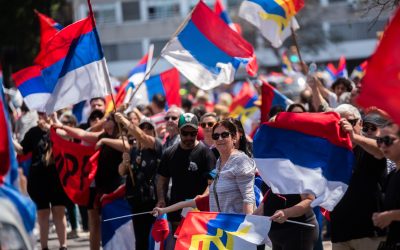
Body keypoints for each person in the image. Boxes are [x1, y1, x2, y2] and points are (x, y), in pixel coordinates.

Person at [54, 113, 123, 250]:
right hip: (100, 186)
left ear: (116, 123)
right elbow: (81, 134)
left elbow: (125, 145)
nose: (105, 120)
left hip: (116, 187)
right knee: (95, 223)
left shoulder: (120, 137)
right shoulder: (102, 136)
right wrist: (61, 126)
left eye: (108, 119)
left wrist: (104, 142)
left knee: (113, 223)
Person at [330, 104, 387, 250]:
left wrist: (354, 137)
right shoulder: (333, 151)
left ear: (360, 123)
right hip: (340, 233)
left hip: (368, 233)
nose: (344, 126)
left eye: (350, 122)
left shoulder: (369, 145)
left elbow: (381, 152)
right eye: (339, 123)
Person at [14, 112, 68, 250]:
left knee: (58, 211)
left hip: (57, 178)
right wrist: (9, 137)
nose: (43, 116)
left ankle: (63, 246)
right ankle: (44, 247)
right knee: (42, 213)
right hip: (38, 179)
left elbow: (68, 139)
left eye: (46, 113)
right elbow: (22, 150)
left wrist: (50, 128)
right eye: (40, 113)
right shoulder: (33, 132)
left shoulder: (59, 129)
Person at [156, 113, 216, 231]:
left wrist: (201, 198)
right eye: (185, 133)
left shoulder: (206, 153)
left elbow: (212, 182)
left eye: (192, 133)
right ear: (179, 131)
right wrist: (161, 199)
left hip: (198, 212)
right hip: (176, 211)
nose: (189, 137)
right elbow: (162, 180)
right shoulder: (169, 153)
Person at [115, 113, 162, 250]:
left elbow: (142, 137)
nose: (145, 130)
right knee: (140, 240)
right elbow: (121, 171)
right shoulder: (133, 150)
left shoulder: (156, 146)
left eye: (149, 128)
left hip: (154, 201)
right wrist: (124, 163)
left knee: (157, 238)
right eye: (143, 127)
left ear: (154, 131)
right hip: (137, 201)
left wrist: (124, 120)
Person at [209, 119, 256, 214]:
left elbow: (248, 199)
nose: (220, 139)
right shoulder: (219, 161)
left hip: (236, 227)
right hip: (219, 225)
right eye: (216, 136)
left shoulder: (240, 160)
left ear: (234, 137)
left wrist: (246, 225)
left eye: (224, 135)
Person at [372, 122, 400, 249]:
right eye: (379, 141)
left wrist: (391, 215)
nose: (382, 145)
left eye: (388, 140)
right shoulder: (392, 175)